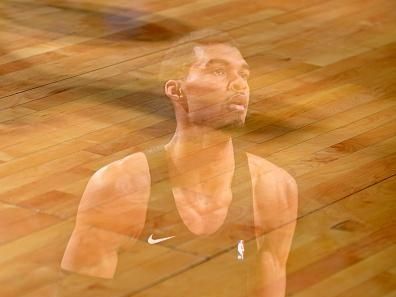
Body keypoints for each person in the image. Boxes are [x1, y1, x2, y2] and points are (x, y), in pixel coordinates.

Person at [60, 30, 298, 297]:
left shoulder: (273, 188)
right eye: (219, 71)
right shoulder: (120, 186)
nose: (240, 85)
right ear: (176, 90)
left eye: (244, 75)